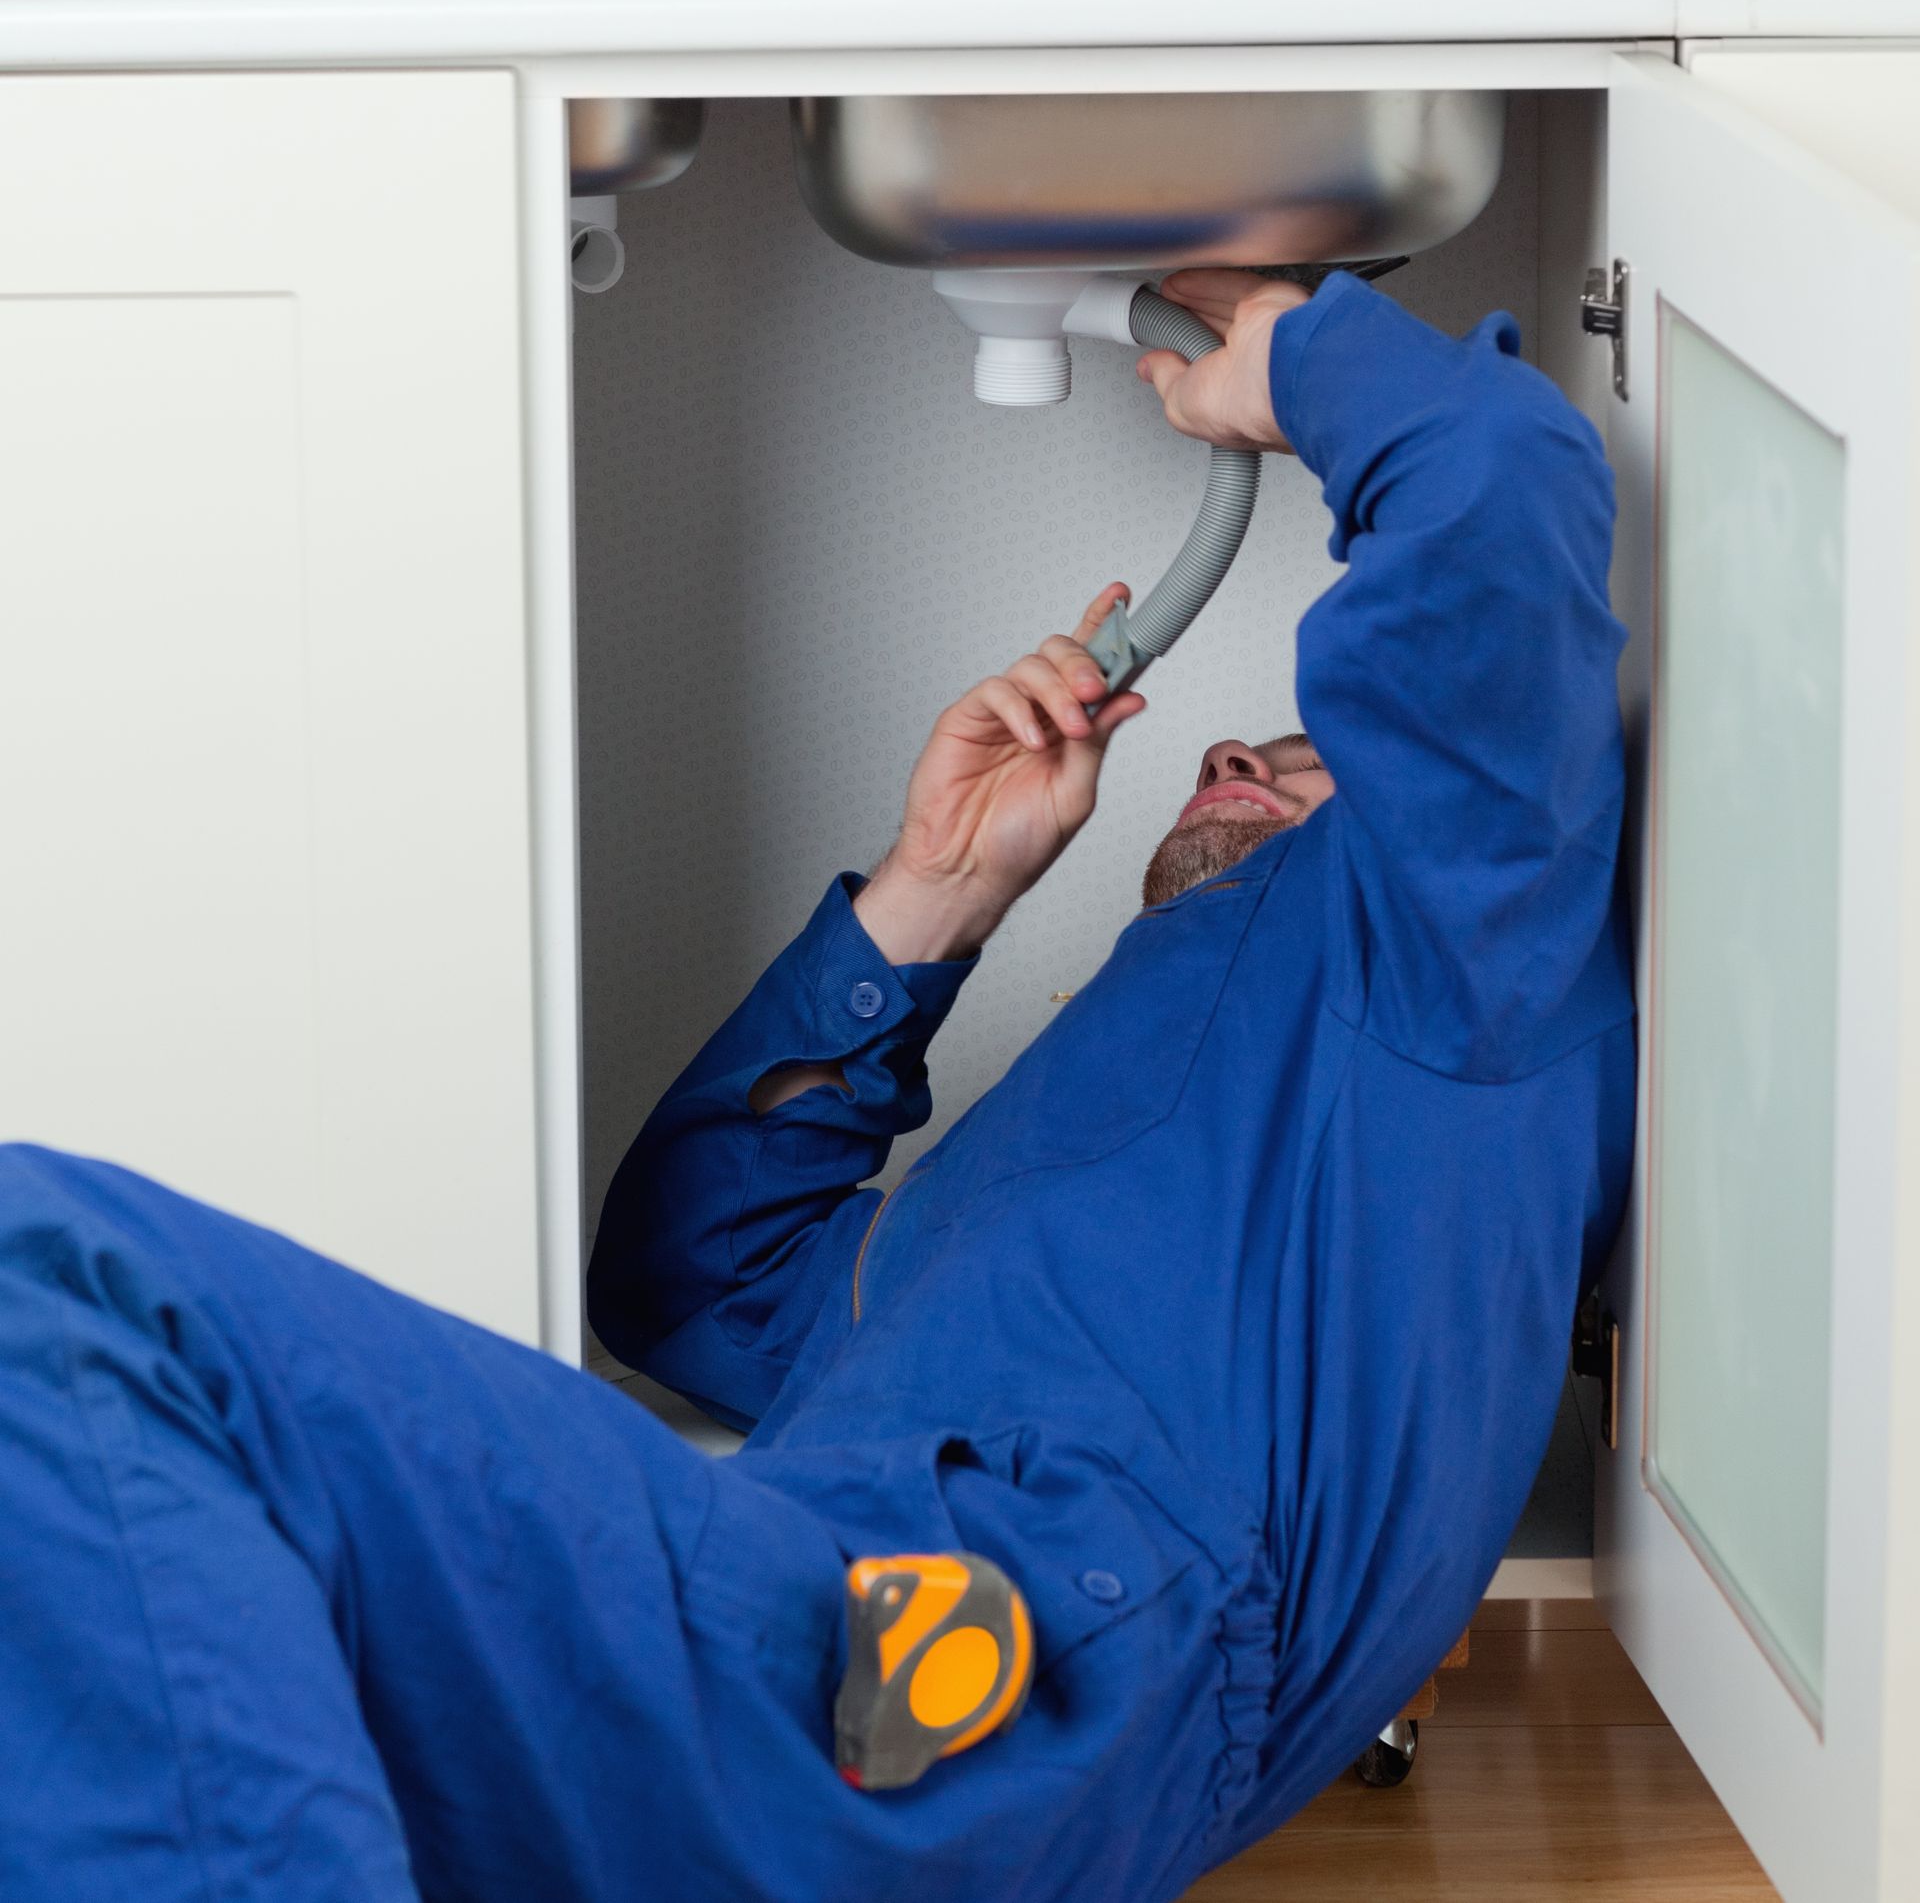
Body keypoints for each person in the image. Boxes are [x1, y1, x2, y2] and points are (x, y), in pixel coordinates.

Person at [0, 269, 1632, 1902]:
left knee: (51, 1300)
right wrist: (933, 893)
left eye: (1299, 758)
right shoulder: (1034, 1182)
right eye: (1236, 748)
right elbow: (685, 1277)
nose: (1228, 754)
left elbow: (1498, 474)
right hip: (811, 1582)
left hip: (985, 1626)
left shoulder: (1441, 955)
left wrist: (1295, 358)